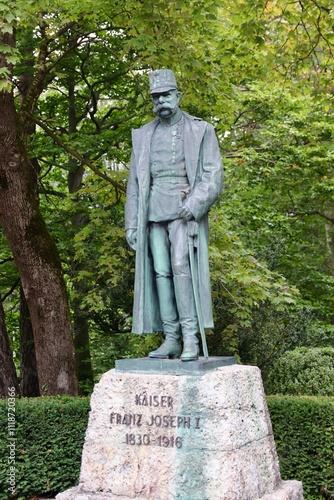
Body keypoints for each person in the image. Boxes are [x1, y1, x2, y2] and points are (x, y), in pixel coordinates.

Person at [125, 69, 223, 361]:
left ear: (178, 96)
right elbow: (134, 184)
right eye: (156, 97)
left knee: (182, 268)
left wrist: (194, 204)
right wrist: (132, 225)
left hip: (184, 212)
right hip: (153, 212)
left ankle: (191, 338)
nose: (161, 101)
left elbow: (213, 174)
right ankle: (171, 338)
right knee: (161, 274)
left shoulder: (200, 130)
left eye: (167, 94)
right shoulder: (143, 135)